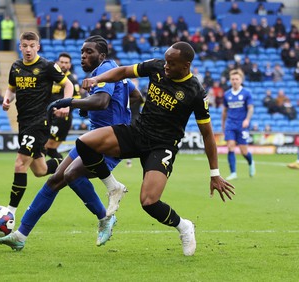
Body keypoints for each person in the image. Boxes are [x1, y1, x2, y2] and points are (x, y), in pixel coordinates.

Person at [49, 41, 235, 256]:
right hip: (138, 132)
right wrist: (97, 78)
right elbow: (124, 71)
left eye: (171, 63)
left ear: (186, 65)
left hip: (162, 146)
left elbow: (207, 134)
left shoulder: (195, 92)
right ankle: (113, 187)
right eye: (165, 61)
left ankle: (184, 226)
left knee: (149, 202)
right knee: (85, 142)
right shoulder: (157, 67)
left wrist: (215, 174)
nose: (166, 66)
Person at [0, 35, 143, 250]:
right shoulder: (114, 71)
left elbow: (101, 102)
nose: (83, 55)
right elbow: (135, 95)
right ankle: (20, 236)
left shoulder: (104, 69)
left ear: (101, 55)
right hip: (93, 140)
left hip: (109, 142)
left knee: (71, 175)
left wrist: (71, 103)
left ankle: (105, 216)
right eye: (82, 52)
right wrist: (114, 110)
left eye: (89, 52)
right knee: (54, 180)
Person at [1, 31, 74, 216]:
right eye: (25, 46)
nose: (28, 50)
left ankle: (10, 213)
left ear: (38, 47)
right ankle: (68, 163)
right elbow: (11, 89)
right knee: (40, 170)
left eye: (32, 46)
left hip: (40, 122)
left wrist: (66, 104)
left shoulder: (47, 66)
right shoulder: (16, 67)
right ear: (20, 47)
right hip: (23, 122)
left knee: (20, 164)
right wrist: (6, 99)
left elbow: (68, 85)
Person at [45, 52, 81, 160]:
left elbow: (76, 101)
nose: (64, 65)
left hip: (62, 119)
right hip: (49, 116)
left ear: (70, 65)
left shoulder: (72, 81)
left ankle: (62, 169)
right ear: (57, 63)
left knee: (47, 146)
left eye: (66, 63)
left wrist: (63, 109)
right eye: (62, 62)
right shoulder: (52, 78)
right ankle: (62, 170)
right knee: (49, 149)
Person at [222, 69, 256, 181]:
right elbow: (225, 111)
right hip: (230, 124)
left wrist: (247, 119)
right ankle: (233, 173)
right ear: (230, 80)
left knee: (243, 151)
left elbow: (250, 108)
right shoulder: (227, 94)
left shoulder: (247, 93)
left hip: (242, 124)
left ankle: (251, 162)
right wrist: (223, 124)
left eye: (237, 79)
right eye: (232, 79)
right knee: (230, 147)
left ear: (241, 80)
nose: (234, 81)